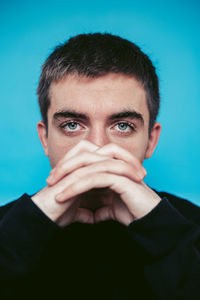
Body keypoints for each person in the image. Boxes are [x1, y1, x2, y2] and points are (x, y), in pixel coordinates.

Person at [0, 33, 200, 300]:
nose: (96, 148)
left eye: (122, 126)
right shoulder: (7, 230)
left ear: (151, 140)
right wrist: (24, 229)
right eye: (72, 125)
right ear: (45, 138)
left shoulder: (190, 229)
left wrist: (164, 234)